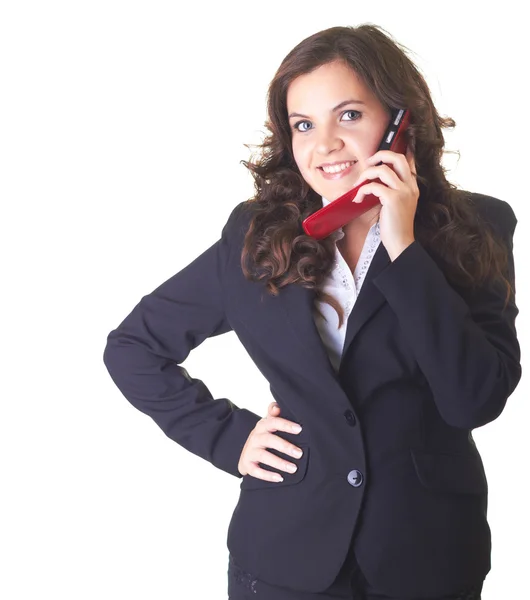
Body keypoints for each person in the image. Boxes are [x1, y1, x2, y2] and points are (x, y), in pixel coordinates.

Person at [103, 24, 521, 600]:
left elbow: (474, 398)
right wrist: (231, 438)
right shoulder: (255, 236)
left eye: (348, 115)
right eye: (304, 124)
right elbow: (134, 346)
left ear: (401, 122)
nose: (324, 144)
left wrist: (402, 246)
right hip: (284, 553)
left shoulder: (478, 227)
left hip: (426, 554)